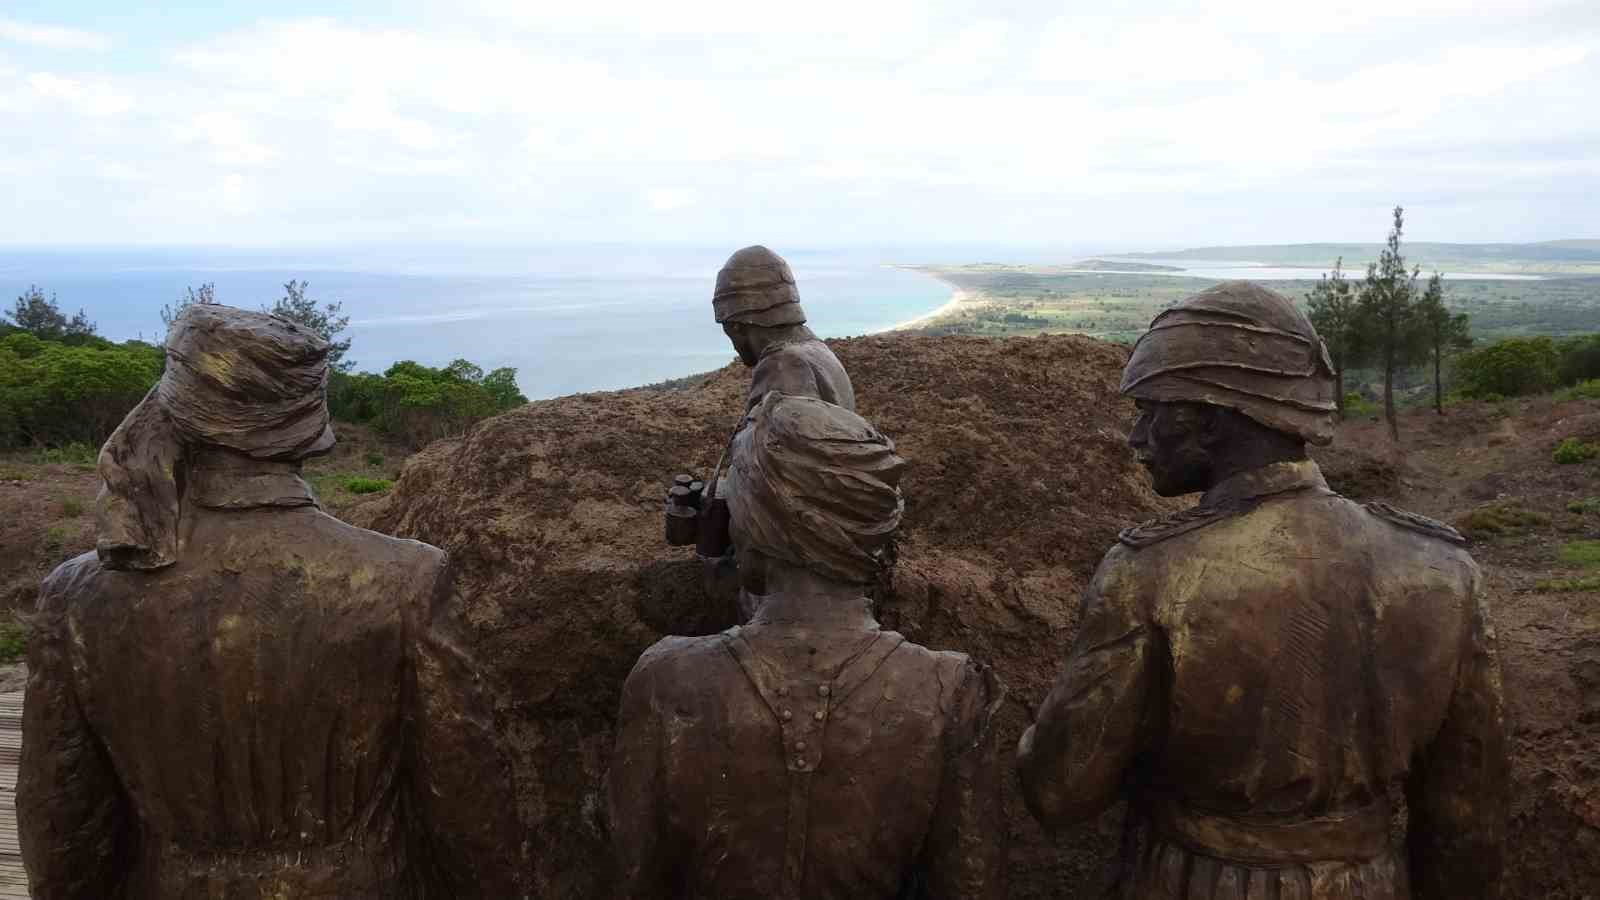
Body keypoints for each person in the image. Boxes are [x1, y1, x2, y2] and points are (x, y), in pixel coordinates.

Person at [1017, 281, 1508, 899]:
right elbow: (1469, 815)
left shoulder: (1149, 572)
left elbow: (1059, 790)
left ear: (1211, 418)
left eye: (1150, 411)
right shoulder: (1442, 567)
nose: (1136, 437)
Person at [19, 305, 522, 899]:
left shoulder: (78, 594)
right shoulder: (408, 579)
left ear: (175, 410)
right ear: (310, 426)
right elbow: (466, 807)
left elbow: (61, 820)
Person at [614, 393, 1004, 899]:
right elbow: (971, 884)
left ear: (756, 523)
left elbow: (631, 881)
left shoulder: (665, 681)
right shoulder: (949, 692)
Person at [666, 245, 857, 622]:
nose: (733, 343)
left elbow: (780, 482)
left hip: (795, 563)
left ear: (740, 325)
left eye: (730, 331)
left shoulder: (785, 367)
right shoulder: (814, 350)